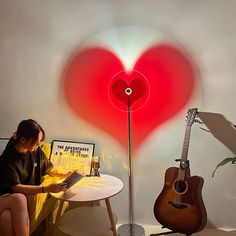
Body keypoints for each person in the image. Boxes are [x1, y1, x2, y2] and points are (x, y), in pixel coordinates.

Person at [0, 119, 67, 236]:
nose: (38, 145)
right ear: (22, 140)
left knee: (6, 218)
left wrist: (66, 174)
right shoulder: (7, 159)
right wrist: (46, 189)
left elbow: (49, 169)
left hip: (11, 204)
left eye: (39, 141)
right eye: (36, 142)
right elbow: (16, 188)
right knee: (19, 199)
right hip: (3, 198)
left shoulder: (35, 151)